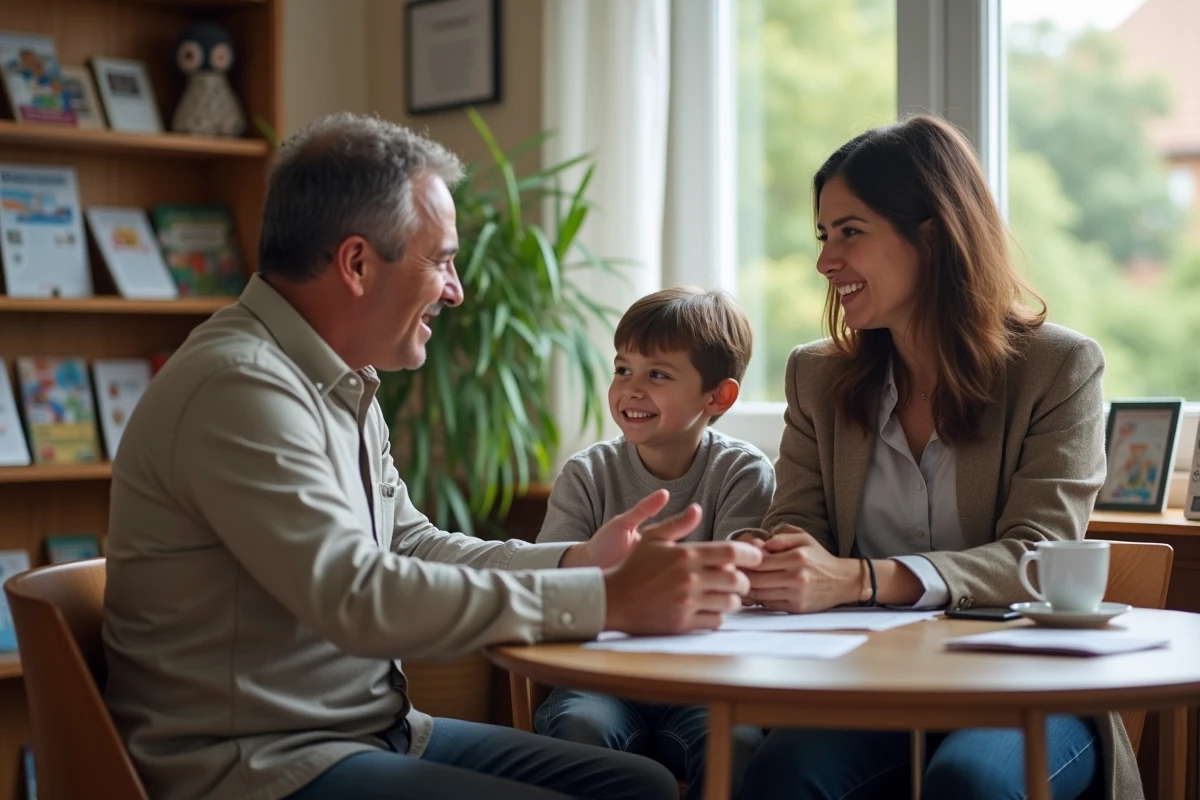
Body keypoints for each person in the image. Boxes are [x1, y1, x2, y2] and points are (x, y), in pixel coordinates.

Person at [101, 112, 763, 800]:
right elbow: (358, 596)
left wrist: (580, 561)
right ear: (357, 263)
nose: (456, 290)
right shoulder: (239, 387)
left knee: (641, 786)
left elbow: (409, 545)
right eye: (441, 260)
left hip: (367, 732)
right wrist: (605, 599)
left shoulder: (337, 381)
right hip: (260, 764)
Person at [735, 114, 1137, 800]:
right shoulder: (816, 377)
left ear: (933, 231)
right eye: (823, 236)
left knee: (969, 783)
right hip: (870, 678)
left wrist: (861, 578)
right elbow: (799, 524)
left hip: (1023, 680)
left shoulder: (1058, 367)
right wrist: (772, 556)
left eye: (850, 232)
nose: (826, 261)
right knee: (777, 776)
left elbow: (1035, 555)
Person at [535, 287, 774, 798]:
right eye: (623, 370)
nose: (631, 389)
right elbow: (549, 581)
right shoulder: (587, 474)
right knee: (579, 727)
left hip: (704, 682)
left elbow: (741, 586)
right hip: (599, 678)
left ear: (718, 397)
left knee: (740, 743)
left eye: (658, 374)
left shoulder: (743, 472)